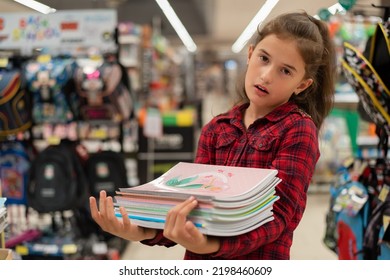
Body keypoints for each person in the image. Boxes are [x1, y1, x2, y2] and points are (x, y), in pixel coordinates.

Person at [89, 11, 336, 260]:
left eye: (285, 71)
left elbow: (278, 214)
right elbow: (190, 205)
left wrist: (211, 246)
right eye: (264, 58)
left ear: (302, 85)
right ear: (250, 55)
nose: (267, 75)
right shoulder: (217, 128)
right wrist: (140, 230)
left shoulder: (298, 130)